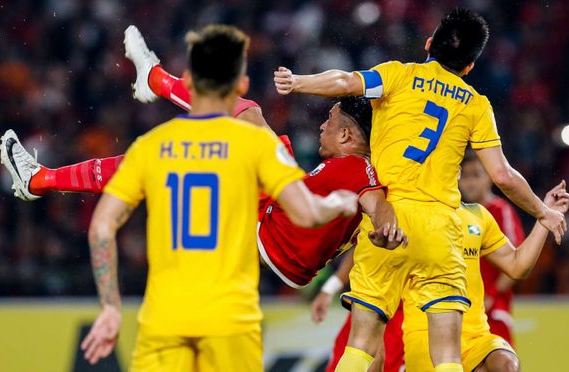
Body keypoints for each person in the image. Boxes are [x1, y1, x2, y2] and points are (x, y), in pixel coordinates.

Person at [0, 27, 407, 290]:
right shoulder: (343, 169)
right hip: (277, 212)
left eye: (330, 120)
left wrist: (388, 227)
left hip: (270, 239)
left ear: (348, 135)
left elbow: (377, 203)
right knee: (246, 114)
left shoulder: (356, 169)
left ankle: (40, 179)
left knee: (170, 155)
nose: (321, 126)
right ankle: (156, 80)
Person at [274, 8, 567, 372]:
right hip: (441, 231)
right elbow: (504, 175)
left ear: (429, 44)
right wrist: (543, 211)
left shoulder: (399, 74)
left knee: (362, 344)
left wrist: (298, 81)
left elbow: (346, 81)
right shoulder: (476, 104)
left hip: (388, 220)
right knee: (447, 354)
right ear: (470, 67)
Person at [77, 24, 359, 371]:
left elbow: (102, 228)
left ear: (189, 80)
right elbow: (306, 213)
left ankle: (41, 178)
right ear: (241, 85)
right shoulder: (254, 147)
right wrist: (339, 204)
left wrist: (109, 306)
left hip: (166, 316)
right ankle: (154, 79)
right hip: (231, 319)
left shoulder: (152, 147)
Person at [312, 177, 569, 372]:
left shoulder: (478, 216)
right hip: (424, 340)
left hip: (475, 336)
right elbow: (363, 252)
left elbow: (517, 265)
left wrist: (543, 220)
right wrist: (330, 286)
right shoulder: (406, 216)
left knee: (505, 364)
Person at [459, 151, 525, 344]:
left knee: (501, 362)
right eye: (465, 176)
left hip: (493, 308)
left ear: (489, 177)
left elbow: (516, 258)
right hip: (463, 309)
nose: (470, 182)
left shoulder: (500, 211)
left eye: (476, 175)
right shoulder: (456, 213)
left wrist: (492, 295)